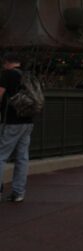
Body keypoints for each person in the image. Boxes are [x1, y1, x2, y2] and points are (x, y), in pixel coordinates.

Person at [0, 52, 34, 203]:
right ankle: (18, 192)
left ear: (7, 62)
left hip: (11, 120)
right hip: (28, 121)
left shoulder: (7, 75)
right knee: (22, 157)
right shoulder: (28, 75)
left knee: (1, 155)